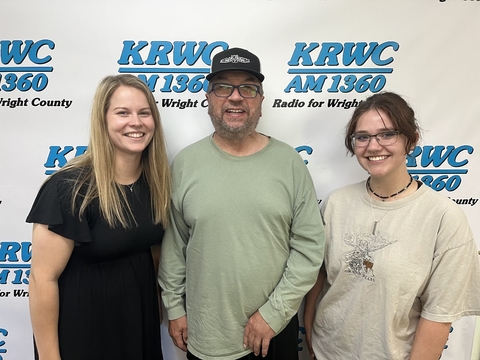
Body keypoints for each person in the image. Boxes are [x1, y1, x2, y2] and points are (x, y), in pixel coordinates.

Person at [158, 47, 325, 360]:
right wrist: (175, 308)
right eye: (223, 86)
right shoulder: (186, 164)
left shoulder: (289, 162)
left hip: (273, 334)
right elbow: (174, 246)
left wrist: (273, 314)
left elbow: (310, 247)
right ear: (208, 98)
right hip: (207, 334)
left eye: (248, 88)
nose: (235, 97)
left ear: (260, 101)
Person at [303, 91, 480, 360]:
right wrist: (310, 336)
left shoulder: (444, 217)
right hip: (328, 352)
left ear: (411, 139)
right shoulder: (336, 203)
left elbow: (439, 314)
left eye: (387, 134)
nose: (373, 146)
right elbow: (318, 276)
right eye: (362, 137)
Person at [26, 74, 171, 360]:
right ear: (102, 120)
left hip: (136, 326)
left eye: (144, 113)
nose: (136, 122)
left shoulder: (157, 184)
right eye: (122, 113)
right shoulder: (69, 189)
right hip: (84, 331)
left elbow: (152, 252)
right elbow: (42, 279)